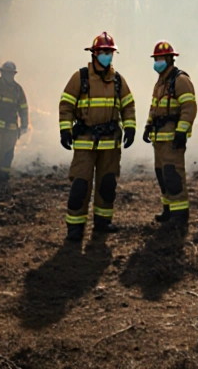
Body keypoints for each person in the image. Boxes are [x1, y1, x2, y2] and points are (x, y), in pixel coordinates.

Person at [57, 32, 137, 242]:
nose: (106, 56)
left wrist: (130, 127)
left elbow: (128, 106)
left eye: (109, 52)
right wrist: (65, 129)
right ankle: (75, 228)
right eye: (102, 52)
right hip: (85, 143)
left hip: (110, 144)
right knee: (80, 186)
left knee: (107, 184)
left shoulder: (118, 80)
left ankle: (102, 223)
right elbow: (66, 104)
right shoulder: (80, 77)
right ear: (94, 54)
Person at [142, 40, 197, 231]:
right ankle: (168, 209)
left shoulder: (180, 80)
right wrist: (148, 126)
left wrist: (182, 131)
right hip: (159, 139)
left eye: (161, 58)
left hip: (173, 139)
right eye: (155, 58)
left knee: (173, 176)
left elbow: (189, 108)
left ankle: (180, 215)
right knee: (162, 174)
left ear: (170, 59)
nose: (157, 62)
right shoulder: (161, 82)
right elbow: (154, 107)